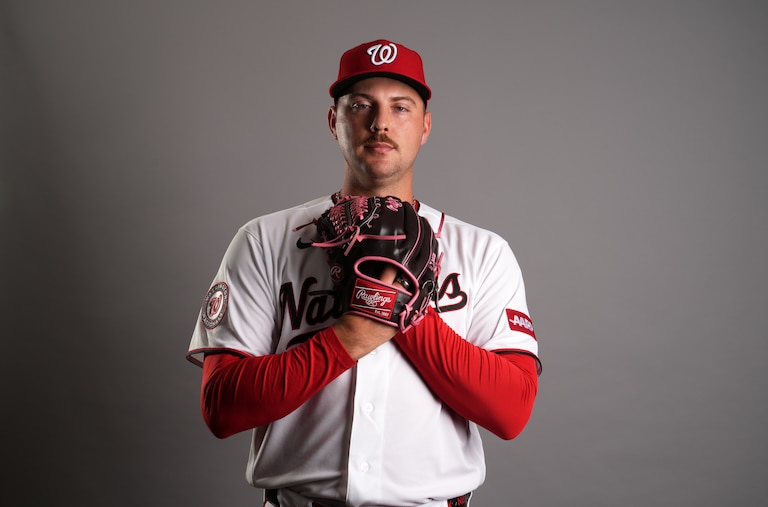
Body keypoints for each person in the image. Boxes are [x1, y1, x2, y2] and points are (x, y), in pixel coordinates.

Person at [187, 39, 541, 507]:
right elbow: (222, 407)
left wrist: (405, 313)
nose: (380, 123)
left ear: (425, 126)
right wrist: (352, 334)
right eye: (360, 106)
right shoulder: (264, 240)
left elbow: (511, 411)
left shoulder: (483, 251)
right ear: (334, 121)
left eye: (401, 107)